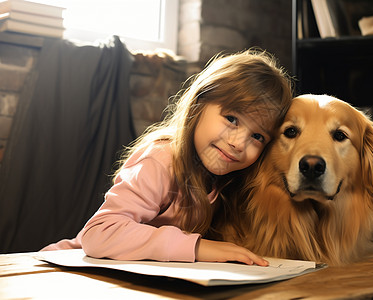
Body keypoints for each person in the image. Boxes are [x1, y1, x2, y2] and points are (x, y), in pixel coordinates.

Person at [41, 49, 292, 266]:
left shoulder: (227, 180)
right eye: (232, 119)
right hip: (64, 270)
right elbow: (99, 234)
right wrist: (196, 248)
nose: (238, 143)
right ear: (199, 103)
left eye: (257, 136)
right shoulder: (161, 159)